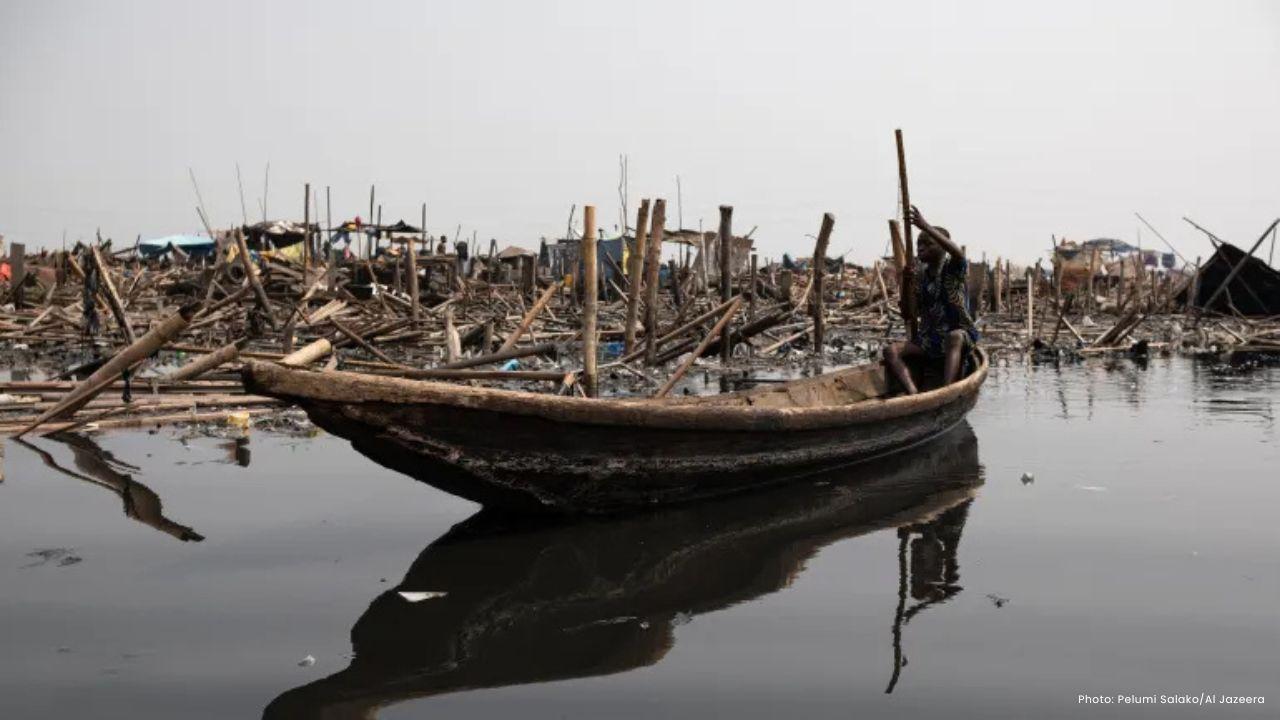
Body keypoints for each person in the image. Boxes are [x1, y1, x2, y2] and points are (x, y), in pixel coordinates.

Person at [883, 205, 978, 394]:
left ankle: (947, 391)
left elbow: (958, 254)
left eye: (927, 244)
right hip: (930, 341)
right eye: (919, 244)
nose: (920, 248)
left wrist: (924, 226)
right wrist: (906, 284)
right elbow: (908, 313)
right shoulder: (921, 276)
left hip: (958, 336)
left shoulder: (952, 269)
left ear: (942, 247)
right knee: (890, 351)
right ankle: (913, 394)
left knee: (954, 337)